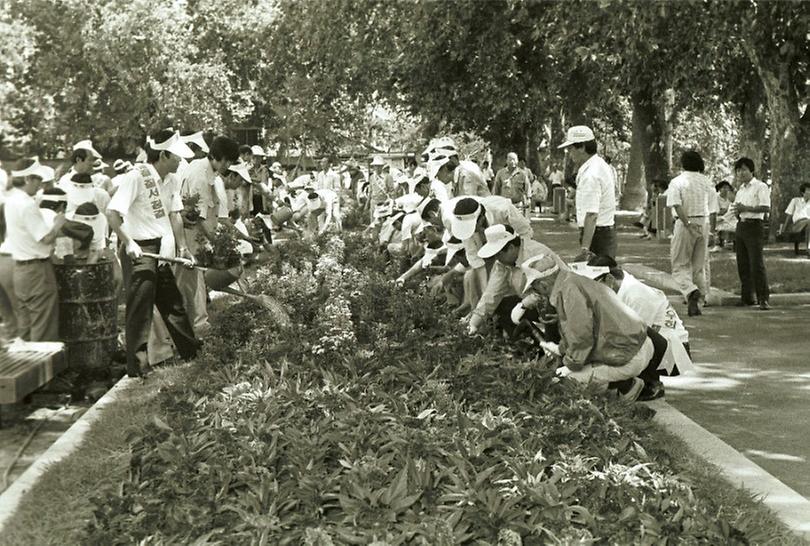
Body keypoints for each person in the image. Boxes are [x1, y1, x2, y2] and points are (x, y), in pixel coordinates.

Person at [106, 129, 200, 377]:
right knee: (140, 309)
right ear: (164, 154)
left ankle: (192, 353)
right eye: (176, 156)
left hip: (164, 249)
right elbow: (112, 214)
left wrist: (183, 247)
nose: (181, 160)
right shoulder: (136, 177)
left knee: (173, 303)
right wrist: (127, 242)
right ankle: (137, 369)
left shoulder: (172, 179)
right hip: (140, 249)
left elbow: (175, 214)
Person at [516, 254, 665, 402]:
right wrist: (560, 349)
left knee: (563, 382)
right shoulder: (571, 281)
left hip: (628, 356)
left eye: (536, 289)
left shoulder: (569, 293)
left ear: (543, 285)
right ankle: (622, 385)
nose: (539, 294)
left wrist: (567, 366)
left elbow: (581, 338)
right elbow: (579, 330)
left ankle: (628, 388)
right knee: (577, 371)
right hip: (636, 346)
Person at [586, 256, 694, 381]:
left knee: (632, 333)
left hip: (675, 356)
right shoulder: (619, 287)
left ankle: (649, 383)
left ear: (610, 279)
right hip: (662, 347)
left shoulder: (636, 296)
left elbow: (633, 342)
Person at [177, 135, 240, 335]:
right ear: (216, 157)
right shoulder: (199, 175)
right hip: (190, 236)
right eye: (227, 161)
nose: (228, 165)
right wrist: (219, 245)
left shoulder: (209, 173)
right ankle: (197, 330)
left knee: (195, 284)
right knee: (191, 285)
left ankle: (193, 327)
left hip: (199, 237)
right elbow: (200, 218)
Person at [4, 160, 67, 341]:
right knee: (43, 325)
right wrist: (57, 224)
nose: (40, 184)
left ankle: (24, 367)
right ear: (27, 179)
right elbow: (45, 237)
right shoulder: (26, 204)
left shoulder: (11, 201)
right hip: (37, 270)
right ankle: (42, 368)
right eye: (37, 179)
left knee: (25, 326)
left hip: (20, 269)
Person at [467, 224, 566, 335]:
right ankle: (530, 343)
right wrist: (473, 323)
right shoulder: (502, 263)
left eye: (499, 254)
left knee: (547, 310)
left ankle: (551, 344)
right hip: (532, 303)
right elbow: (491, 294)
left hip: (558, 301)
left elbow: (557, 285)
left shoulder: (535, 254)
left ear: (511, 248)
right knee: (502, 306)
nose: (496, 258)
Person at [558, 126, 617, 260]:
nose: (569, 153)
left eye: (571, 148)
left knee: (596, 277)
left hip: (597, 235)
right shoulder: (599, 165)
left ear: (582, 147)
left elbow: (591, 215)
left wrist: (585, 249)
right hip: (603, 232)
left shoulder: (591, 175)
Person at [666, 151, 711, 316]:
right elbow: (713, 207)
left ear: (683, 163)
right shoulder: (706, 182)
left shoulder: (677, 181)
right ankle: (701, 298)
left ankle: (691, 291)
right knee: (698, 266)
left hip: (685, 222)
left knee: (680, 265)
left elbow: (677, 205)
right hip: (703, 222)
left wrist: (687, 223)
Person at [732, 157, 770, 309]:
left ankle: (763, 298)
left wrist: (745, 208)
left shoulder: (760, 187)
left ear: (751, 170)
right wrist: (738, 212)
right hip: (741, 225)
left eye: (744, 170)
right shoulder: (740, 189)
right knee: (743, 264)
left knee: (756, 263)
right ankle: (747, 297)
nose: (741, 173)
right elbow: (737, 208)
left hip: (754, 226)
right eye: (738, 170)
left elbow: (765, 207)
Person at [778, 183, 810, 257]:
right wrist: (784, 229)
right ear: (803, 192)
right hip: (797, 224)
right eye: (808, 190)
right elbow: (789, 215)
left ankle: (808, 250)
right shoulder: (795, 200)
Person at [712, 180, 737, 251]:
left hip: (730, 217)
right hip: (719, 218)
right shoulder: (716, 198)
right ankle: (718, 243)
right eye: (724, 188)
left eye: (727, 188)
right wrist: (726, 210)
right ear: (719, 189)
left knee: (736, 223)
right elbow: (716, 211)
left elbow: (733, 208)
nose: (726, 190)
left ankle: (736, 245)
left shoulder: (730, 198)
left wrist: (727, 210)